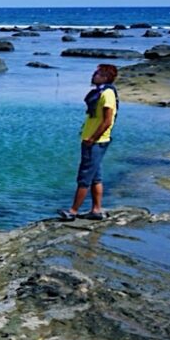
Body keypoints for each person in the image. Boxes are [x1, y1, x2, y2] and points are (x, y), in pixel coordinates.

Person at [58, 63, 119, 221]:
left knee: (84, 177)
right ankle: (96, 210)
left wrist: (92, 139)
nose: (93, 76)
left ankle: (73, 211)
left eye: (97, 74)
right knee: (95, 176)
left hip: (96, 142)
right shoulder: (101, 92)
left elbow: (107, 121)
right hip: (93, 140)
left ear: (105, 77)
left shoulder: (107, 94)